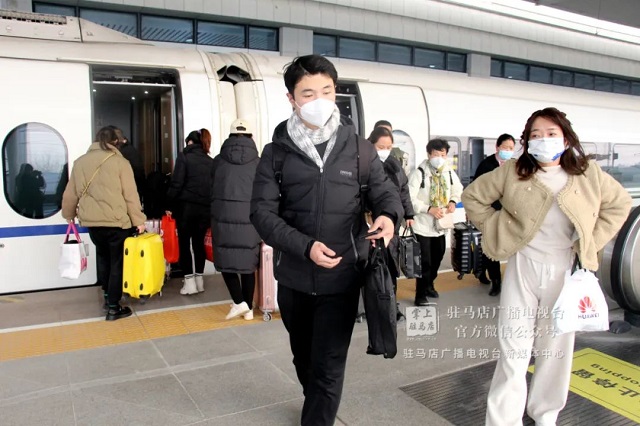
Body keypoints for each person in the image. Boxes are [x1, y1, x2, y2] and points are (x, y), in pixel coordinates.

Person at [250, 54, 402, 426]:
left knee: (329, 364)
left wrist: (387, 216)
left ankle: (317, 416)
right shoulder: (276, 154)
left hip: (343, 276)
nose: (319, 100)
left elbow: (386, 194)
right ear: (291, 99)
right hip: (294, 277)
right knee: (304, 358)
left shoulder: (360, 149)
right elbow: (262, 214)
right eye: (308, 93)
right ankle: (315, 399)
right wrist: (304, 247)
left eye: (327, 91)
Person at [461, 107, 631, 426]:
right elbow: (473, 197)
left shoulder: (587, 173)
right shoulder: (513, 171)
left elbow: (620, 204)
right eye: (535, 135)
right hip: (522, 267)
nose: (544, 140)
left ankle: (545, 414)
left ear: (565, 139)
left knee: (555, 350)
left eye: (551, 133)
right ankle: (503, 420)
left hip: (565, 270)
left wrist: (591, 241)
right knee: (513, 350)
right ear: (527, 142)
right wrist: (497, 228)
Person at [61, 126, 146, 321]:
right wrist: (139, 221)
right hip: (116, 223)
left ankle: (107, 296)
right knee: (117, 263)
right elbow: (130, 196)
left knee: (103, 258)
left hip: (93, 223)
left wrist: (69, 214)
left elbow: (70, 193)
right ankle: (114, 308)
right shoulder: (120, 163)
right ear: (115, 142)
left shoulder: (80, 162)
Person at [210, 119, 261, 320]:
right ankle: (248, 309)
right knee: (248, 264)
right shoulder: (258, 162)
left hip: (223, 217)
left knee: (226, 261)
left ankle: (239, 302)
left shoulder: (218, 161)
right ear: (250, 136)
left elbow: (211, 188)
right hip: (250, 218)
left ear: (229, 136)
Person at [407, 138, 463, 306]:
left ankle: (429, 284)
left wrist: (453, 201)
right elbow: (409, 198)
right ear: (429, 154)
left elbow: (458, 189)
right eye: (436, 154)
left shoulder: (449, 172)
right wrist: (428, 208)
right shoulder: (419, 173)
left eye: (443, 154)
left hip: (440, 226)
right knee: (424, 261)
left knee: (438, 257)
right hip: (422, 225)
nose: (439, 158)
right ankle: (420, 294)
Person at [368, 126, 415, 322]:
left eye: (388, 147)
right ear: (371, 144)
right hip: (369, 226)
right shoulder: (362, 163)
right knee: (369, 269)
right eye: (381, 147)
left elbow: (403, 191)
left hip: (391, 227)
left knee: (389, 268)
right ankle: (366, 308)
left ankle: (391, 306)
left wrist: (409, 213)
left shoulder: (394, 164)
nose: (385, 151)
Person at [166, 129, 214, 295]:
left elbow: (176, 183)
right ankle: (199, 282)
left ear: (190, 142)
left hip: (186, 209)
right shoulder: (211, 161)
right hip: (205, 210)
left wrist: (169, 203)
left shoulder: (184, 157)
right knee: (199, 244)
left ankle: (189, 284)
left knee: (185, 244)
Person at [472, 133, 516, 296]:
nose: (508, 151)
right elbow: (476, 189)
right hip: (489, 212)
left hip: (509, 213)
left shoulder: (514, 165)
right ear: (497, 147)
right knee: (492, 245)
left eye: (511, 148)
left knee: (498, 246)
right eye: (505, 147)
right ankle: (496, 282)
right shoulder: (486, 165)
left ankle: (481, 271)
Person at [109, 126, 145, 203]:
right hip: (132, 189)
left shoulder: (125, 152)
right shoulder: (127, 149)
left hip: (130, 190)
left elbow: (137, 172)